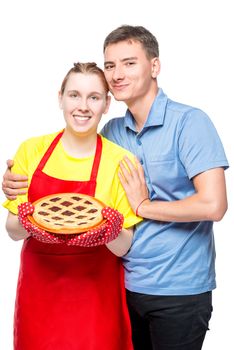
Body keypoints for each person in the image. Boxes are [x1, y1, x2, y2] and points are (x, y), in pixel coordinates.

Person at [2, 25, 229, 350]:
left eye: (129, 63)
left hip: (178, 289)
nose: (117, 74)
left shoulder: (189, 123)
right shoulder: (113, 132)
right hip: (127, 284)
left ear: (154, 66)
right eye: (110, 65)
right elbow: (73, 160)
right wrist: (12, 184)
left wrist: (143, 207)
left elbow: (214, 205)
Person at [2, 61, 142, 350]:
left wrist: (109, 231)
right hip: (39, 292)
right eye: (74, 95)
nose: (83, 106)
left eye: (94, 97)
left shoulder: (120, 160)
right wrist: (29, 223)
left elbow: (124, 246)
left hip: (95, 295)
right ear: (60, 98)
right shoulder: (32, 151)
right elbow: (13, 231)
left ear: (106, 104)